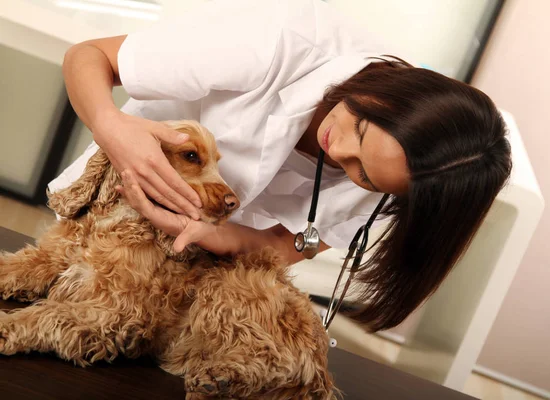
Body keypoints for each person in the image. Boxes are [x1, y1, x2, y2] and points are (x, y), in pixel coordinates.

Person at [50, 0, 512, 332]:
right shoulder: (279, 40)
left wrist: (220, 236)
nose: (340, 152)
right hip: (114, 208)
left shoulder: (404, 179)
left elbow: (290, 243)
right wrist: (112, 128)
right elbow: (88, 57)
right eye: (362, 133)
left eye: (363, 175)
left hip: (195, 275)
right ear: (394, 91)